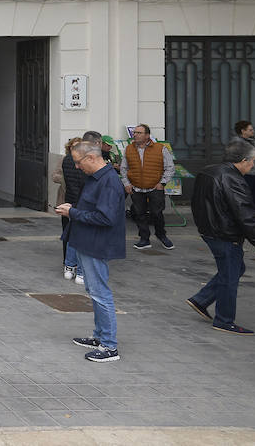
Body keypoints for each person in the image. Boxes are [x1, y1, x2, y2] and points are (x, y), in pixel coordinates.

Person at [187, 139, 255, 335]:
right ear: (244, 160)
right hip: (225, 234)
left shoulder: (208, 170)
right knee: (230, 276)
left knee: (236, 268)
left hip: (209, 231)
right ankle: (224, 320)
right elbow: (246, 215)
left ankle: (201, 300)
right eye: (252, 162)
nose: (252, 166)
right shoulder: (232, 179)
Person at [54, 136, 125, 363]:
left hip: (96, 243)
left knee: (100, 293)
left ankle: (109, 346)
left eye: (78, 161)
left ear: (92, 157)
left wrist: (72, 213)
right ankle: (100, 337)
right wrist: (73, 209)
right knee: (94, 292)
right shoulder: (97, 177)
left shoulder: (109, 181)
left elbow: (105, 217)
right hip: (87, 240)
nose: (76, 166)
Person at [121, 123, 174, 250]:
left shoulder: (160, 149)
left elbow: (170, 168)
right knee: (139, 214)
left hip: (155, 187)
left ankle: (161, 235)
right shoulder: (129, 149)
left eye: (139, 133)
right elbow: (123, 168)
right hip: (136, 188)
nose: (135, 135)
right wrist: (127, 184)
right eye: (135, 133)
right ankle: (144, 239)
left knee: (157, 213)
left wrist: (162, 183)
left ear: (147, 135)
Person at [51, 136, 89, 285]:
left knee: (74, 233)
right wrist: (65, 179)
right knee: (68, 231)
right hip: (67, 200)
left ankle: (70, 265)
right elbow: (55, 175)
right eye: (74, 146)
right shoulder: (66, 160)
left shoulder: (79, 161)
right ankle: (70, 264)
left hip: (72, 201)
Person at [231, 121, 255, 218]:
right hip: (247, 172)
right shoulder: (237, 142)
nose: (253, 131)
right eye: (250, 130)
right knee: (245, 194)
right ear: (243, 131)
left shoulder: (252, 141)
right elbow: (235, 157)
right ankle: (244, 215)